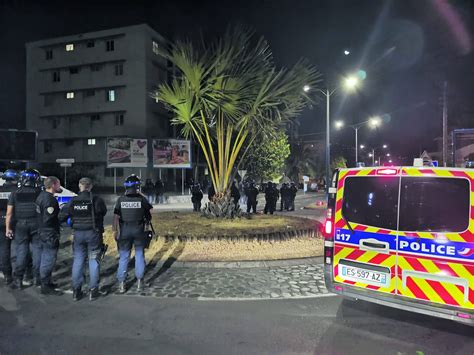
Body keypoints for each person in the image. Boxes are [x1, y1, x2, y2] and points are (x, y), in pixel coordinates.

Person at [59, 177, 107, 301]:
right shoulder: (97, 200)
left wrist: (71, 221)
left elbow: (62, 216)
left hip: (78, 234)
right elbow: (103, 212)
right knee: (93, 261)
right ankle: (93, 290)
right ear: (90, 186)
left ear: (80, 186)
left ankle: (76, 291)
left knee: (78, 261)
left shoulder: (73, 201)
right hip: (93, 234)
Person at [113, 175, 152, 293]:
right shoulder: (142, 199)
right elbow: (149, 215)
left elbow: (115, 217)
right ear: (137, 187)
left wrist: (115, 230)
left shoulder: (120, 199)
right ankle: (140, 282)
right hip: (139, 231)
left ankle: (121, 284)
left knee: (124, 257)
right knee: (139, 255)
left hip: (124, 231)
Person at [6, 169, 41, 289]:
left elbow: (9, 213)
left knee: (21, 252)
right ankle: (37, 278)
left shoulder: (15, 193)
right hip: (36, 225)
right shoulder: (39, 192)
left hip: (20, 225)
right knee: (37, 251)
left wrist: (8, 228)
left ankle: (18, 279)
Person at [35, 176, 63, 295]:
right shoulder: (49, 200)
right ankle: (45, 286)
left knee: (43, 258)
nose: (59, 186)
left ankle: (46, 281)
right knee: (48, 259)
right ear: (53, 185)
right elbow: (49, 218)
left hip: (42, 231)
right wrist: (60, 217)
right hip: (49, 233)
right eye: (58, 184)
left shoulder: (41, 196)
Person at [1, 170, 20, 286]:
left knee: (4, 249)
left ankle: (7, 275)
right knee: (22, 248)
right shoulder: (18, 191)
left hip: (1, 222)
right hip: (16, 221)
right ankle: (21, 274)